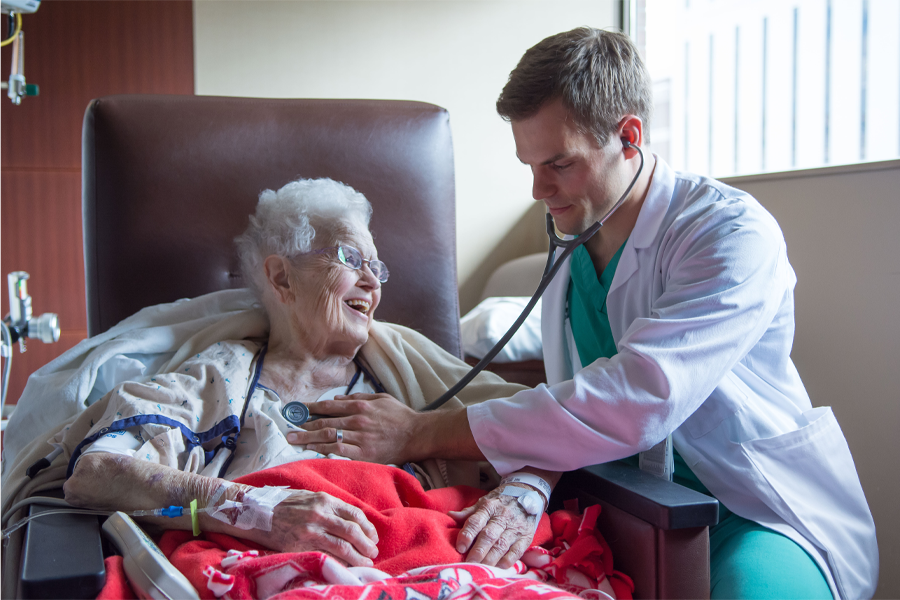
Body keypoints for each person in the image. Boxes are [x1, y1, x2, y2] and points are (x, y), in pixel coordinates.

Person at [286, 28, 879, 600]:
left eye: (559, 164)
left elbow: (636, 397)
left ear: (629, 135)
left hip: (750, 508)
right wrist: (530, 480)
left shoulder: (728, 233)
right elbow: (572, 395)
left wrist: (419, 431)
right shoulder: (575, 232)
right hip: (618, 494)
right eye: (530, 165)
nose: (540, 190)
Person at [55, 177, 552, 569]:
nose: (371, 284)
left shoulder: (410, 370)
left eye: (376, 269)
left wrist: (522, 498)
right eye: (351, 258)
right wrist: (253, 509)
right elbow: (95, 473)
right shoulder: (218, 375)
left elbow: (553, 426)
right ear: (281, 276)